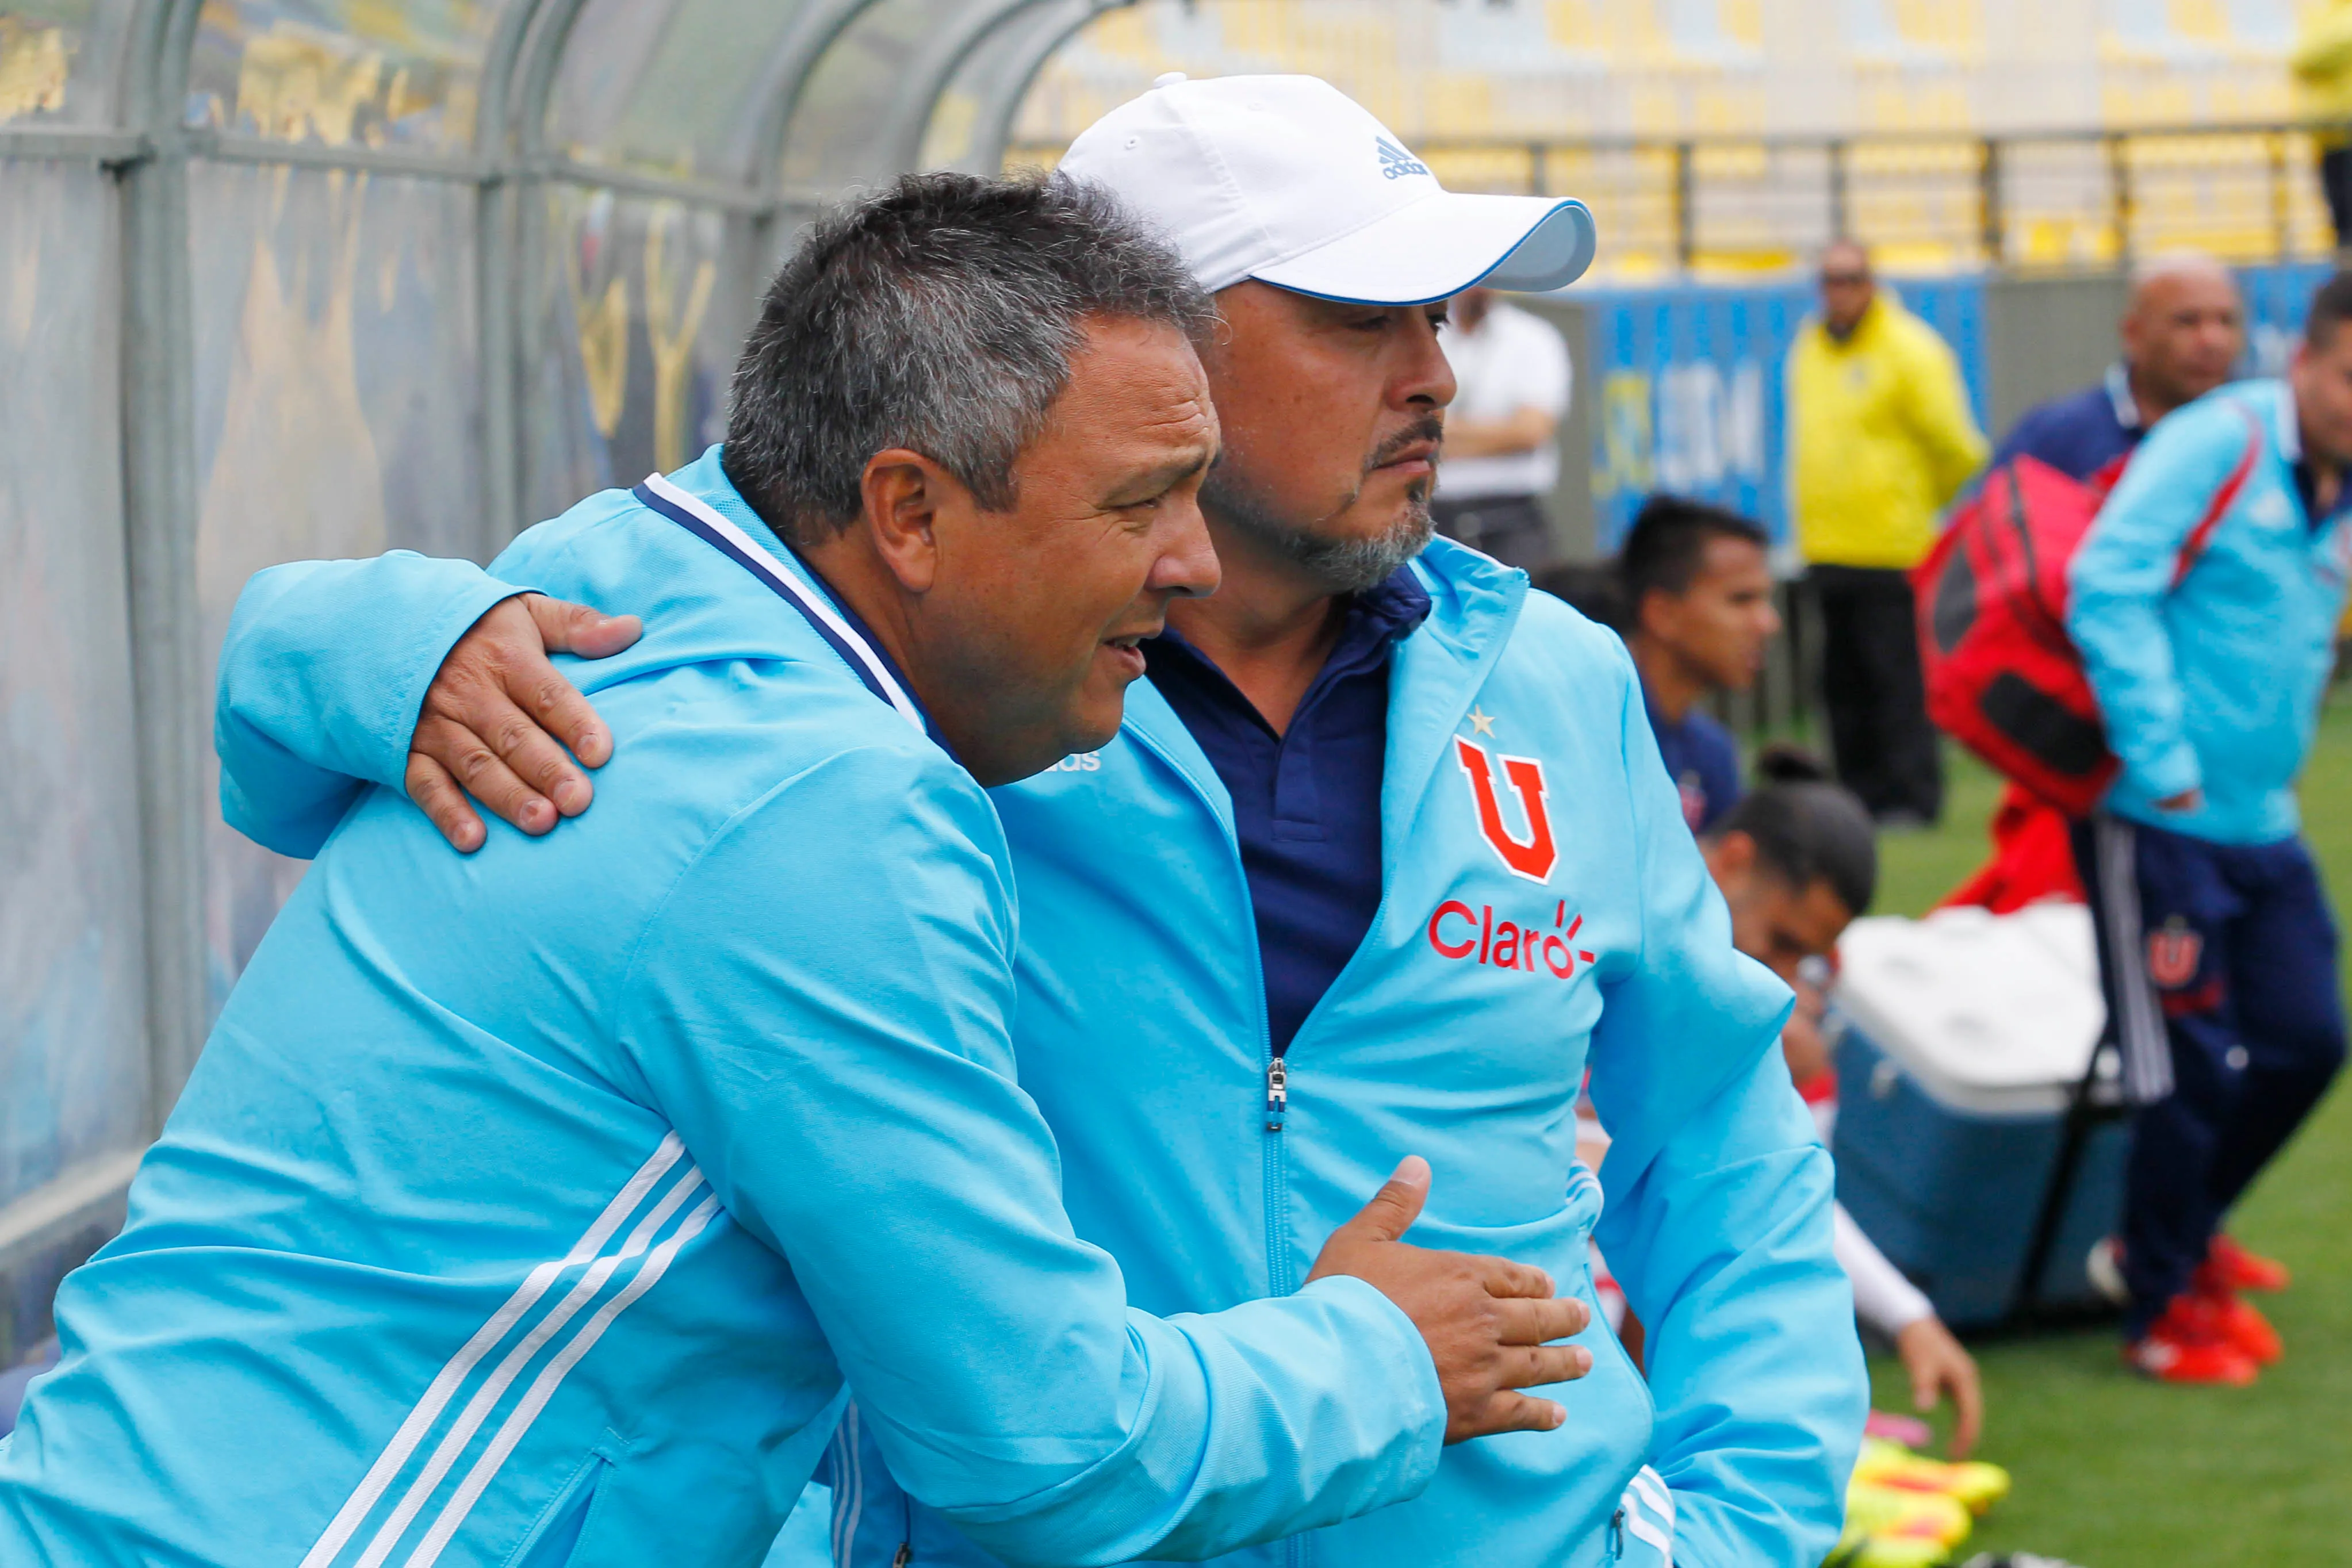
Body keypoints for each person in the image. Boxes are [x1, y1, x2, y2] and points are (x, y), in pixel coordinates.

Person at [204, 76, 1867, 1568]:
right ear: (1143, 332)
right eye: (1366, 316)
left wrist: (1743, 1517)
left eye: (1440, 314)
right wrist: (391, 638)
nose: (1435, 373)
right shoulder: (919, 690)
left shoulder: (1556, 680)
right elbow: (479, 643)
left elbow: (1715, 1126)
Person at [2066, 270, 2352, 1386]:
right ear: (2304, 363)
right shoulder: (2217, 441)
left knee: (2307, 1038)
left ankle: (2182, 1230)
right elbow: (2104, 576)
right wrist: (2160, 753)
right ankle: (2153, 1307)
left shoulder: (2335, 480)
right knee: (2185, 1073)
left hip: (2260, 823)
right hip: (2158, 822)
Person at [1948, 254, 2248, 916]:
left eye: (2226, 321)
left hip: (2223, 750)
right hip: (2088, 741)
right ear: (2133, 331)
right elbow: (1976, 559)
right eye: (2187, 320)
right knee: (2066, 923)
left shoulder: (2255, 441)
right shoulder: (2062, 435)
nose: (2211, 339)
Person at [1702, 762, 1987, 1460]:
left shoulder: (1788, 1003)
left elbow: (1797, 1194)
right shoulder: (1611, 948)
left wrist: (1910, 1318)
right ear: (1731, 862)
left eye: (1811, 959)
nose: (1790, 979)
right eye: (1785, 943)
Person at [1787, 239, 1990, 827]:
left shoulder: (1909, 350)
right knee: (1842, 685)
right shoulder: (1810, 346)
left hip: (1892, 547)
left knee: (1895, 682)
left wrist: (1912, 503)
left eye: (1850, 279)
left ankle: (1910, 796)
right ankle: (1858, 795)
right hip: (1828, 545)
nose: (1838, 291)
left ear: (1871, 281)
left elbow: (1956, 447)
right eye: (1828, 280)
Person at [1613, 494, 1782, 834]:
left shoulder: (1712, 752)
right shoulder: (1592, 727)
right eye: (1741, 599)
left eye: (1766, 600)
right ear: (1662, 613)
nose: (1769, 623)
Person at [1428, 284, 1573, 569]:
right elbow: (1413, 425)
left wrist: (1442, 438)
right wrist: (1499, 435)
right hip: (1435, 518)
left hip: (1511, 517)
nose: (1479, 288)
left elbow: (1530, 432)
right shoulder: (1431, 336)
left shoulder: (1533, 338)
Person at [2292, 0, 2352, 252]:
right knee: (2341, 215)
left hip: (2341, 132)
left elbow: (2307, 58)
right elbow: (2303, 60)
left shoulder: (2334, 20)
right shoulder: (2328, 15)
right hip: (2331, 135)